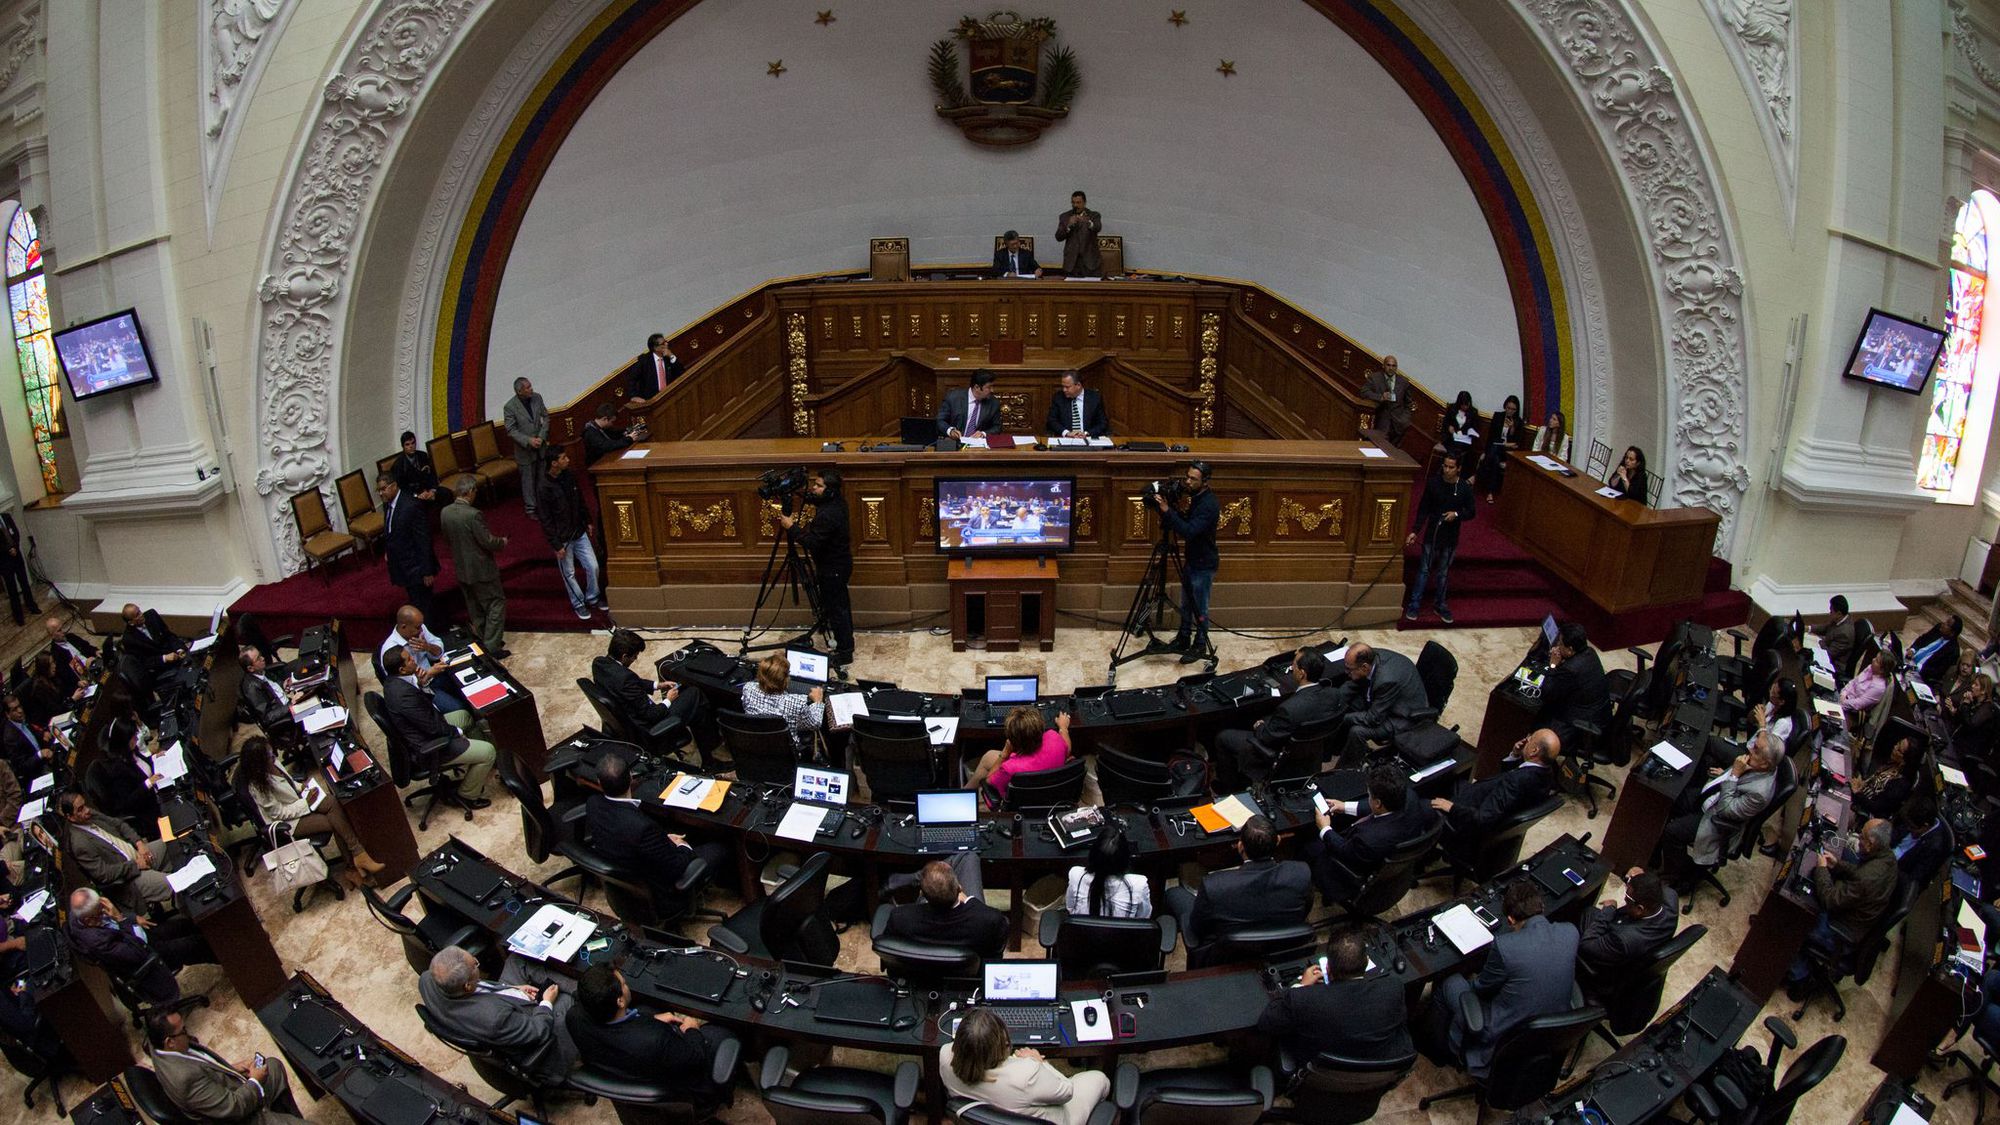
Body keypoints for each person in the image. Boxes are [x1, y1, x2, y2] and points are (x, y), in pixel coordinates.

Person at [1424, 881, 1578, 1076]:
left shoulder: (1505, 946)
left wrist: (1474, 977)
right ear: (1541, 907)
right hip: (1549, 1034)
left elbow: (1481, 988)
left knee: (1450, 983)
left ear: (1511, 919)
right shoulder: (1570, 932)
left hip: (1503, 1040)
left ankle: (1438, 1052)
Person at [234, 736, 384, 886]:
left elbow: (289, 782)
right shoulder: (258, 787)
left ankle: (357, 857)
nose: (273, 756)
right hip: (289, 822)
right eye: (269, 756)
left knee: (333, 802)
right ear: (259, 764)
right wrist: (306, 803)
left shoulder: (272, 762)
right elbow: (279, 813)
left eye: (271, 752)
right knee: (335, 821)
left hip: (297, 801)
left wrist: (302, 787)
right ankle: (354, 864)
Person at [418, 946, 578, 1085]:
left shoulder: (428, 980)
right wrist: (546, 1002)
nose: (477, 961)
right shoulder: (494, 1019)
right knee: (566, 1000)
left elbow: (481, 987)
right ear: (467, 986)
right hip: (530, 1029)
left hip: (496, 1003)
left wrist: (511, 989)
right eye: (475, 965)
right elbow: (538, 1031)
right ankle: (584, 989)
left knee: (517, 960)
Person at [585, 754, 730, 907]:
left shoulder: (592, 804)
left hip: (627, 873)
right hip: (659, 891)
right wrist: (681, 844)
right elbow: (676, 868)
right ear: (631, 778)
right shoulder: (642, 828)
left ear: (600, 783)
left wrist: (663, 840)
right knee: (721, 846)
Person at [1256, 926, 1413, 1065]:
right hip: (1375, 1068)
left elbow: (1266, 1023)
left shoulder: (1303, 1000)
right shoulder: (1393, 988)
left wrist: (1301, 986)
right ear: (1366, 963)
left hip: (1321, 1068)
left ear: (1328, 969)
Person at [566, 964, 730, 1095]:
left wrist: (649, 1019)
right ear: (620, 1001)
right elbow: (695, 1060)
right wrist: (692, 1029)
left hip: (625, 1066)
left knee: (646, 1008)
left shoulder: (574, 1017)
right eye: (624, 984)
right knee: (722, 1034)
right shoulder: (657, 1038)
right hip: (679, 1083)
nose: (627, 985)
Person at [1163, 815, 1312, 952]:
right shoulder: (1300, 872)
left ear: (1240, 847)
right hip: (1279, 946)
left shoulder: (1215, 885)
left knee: (1174, 893)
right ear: (1278, 841)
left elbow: (1197, 929)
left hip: (1227, 953)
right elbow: (1303, 911)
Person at [941, 1007, 1112, 1125]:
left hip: (985, 1114)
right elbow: (1066, 1091)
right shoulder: (1028, 1074)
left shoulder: (944, 1055)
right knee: (1099, 1078)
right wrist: (1040, 1062)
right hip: (1058, 1119)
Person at [1785, 818, 1898, 994]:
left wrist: (1822, 869)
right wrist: (1837, 864)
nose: (1858, 839)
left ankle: (1797, 977)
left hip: (1839, 932)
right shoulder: (1888, 858)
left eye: (1862, 837)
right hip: (1856, 921)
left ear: (1871, 844)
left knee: (1796, 916)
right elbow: (1861, 874)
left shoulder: (1868, 878)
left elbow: (1830, 900)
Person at [1659, 730, 1777, 893]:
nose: (1750, 749)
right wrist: (1727, 773)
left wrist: (1734, 775)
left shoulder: (1760, 794)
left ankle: (1675, 877)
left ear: (1765, 764)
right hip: (1709, 797)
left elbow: (1726, 810)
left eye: (1756, 750)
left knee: (1673, 832)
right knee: (1669, 795)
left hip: (1714, 819)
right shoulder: (1758, 765)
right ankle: (1655, 851)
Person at [1215, 646, 1343, 790]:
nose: (1291, 667)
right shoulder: (1334, 695)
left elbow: (1267, 737)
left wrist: (1260, 726)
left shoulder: (1289, 709)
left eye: (1294, 665)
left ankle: (1228, 787)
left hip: (1278, 755)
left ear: (1302, 673)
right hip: (1311, 755)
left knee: (1223, 737)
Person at [381, 647, 495, 808]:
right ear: (402, 669)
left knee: (464, 716)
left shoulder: (394, 681)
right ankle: (468, 795)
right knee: (488, 752)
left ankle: (478, 765)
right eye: (409, 659)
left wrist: (422, 684)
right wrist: (457, 732)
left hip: (429, 726)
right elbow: (433, 729)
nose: (413, 659)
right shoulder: (403, 695)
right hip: (431, 745)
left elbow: (425, 709)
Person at [1306, 763, 1438, 903]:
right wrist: (1344, 806)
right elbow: (1381, 807)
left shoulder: (1368, 840)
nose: (1368, 798)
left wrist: (1325, 828)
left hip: (1350, 873)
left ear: (1378, 803)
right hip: (1393, 847)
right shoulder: (1409, 796)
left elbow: (1344, 851)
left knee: (1309, 847)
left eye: (1369, 795)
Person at [145, 1011, 306, 1125]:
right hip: (241, 1118)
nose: (188, 1034)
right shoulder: (185, 1078)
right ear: (170, 1042)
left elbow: (204, 1068)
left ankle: (290, 1118)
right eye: (183, 1030)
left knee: (272, 1066)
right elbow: (234, 1108)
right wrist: (255, 1081)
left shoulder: (156, 1045)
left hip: (228, 1094)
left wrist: (231, 1069)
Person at [66, 888, 215, 1004]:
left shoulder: (80, 913)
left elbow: (113, 920)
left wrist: (130, 918)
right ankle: (226, 954)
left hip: (142, 938)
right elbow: (135, 954)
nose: (105, 912)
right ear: (89, 920)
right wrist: (121, 919)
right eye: (101, 912)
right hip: (147, 958)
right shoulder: (99, 943)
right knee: (195, 944)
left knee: (184, 924)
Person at [592, 629, 721, 757]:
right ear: (624, 656)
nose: (635, 659)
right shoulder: (625, 679)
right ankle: (711, 753)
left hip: (629, 722)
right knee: (695, 694)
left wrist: (657, 685)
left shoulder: (599, 663)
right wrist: (668, 700)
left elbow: (628, 682)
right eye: (634, 656)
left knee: (692, 703)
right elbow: (652, 714)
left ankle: (710, 747)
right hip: (650, 729)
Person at [774, 467, 854, 667]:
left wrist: (791, 527)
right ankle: (841, 641)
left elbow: (812, 542)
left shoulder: (828, 515)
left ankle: (845, 652)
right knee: (839, 606)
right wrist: (795, 492)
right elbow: (815, 499)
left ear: (830, 490)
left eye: (818, 486)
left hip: (832, 568)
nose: (814, 488)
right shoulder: (837, 502)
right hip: (838, 564)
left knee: (838, 610)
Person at [1431, 729, 1558, 840]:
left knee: (1423, 799)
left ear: (1534, 751)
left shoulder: (1516, 781)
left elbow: (1483, 818)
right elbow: (1513, 780)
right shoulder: (1546, 773)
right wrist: (1515, 755)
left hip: (1465, 817)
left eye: (1530, 738)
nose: (1527, 739)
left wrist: (1451, 807)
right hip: (1482, 797)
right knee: (1448, 778)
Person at [60, 792, 174, 911]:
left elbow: (119, 825)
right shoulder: (79, 843)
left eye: (85, 805)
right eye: (80, 809)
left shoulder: (89, 814)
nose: (87, 810)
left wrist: (139, 843)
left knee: (172, 842)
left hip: (137, 854)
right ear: (70, 817)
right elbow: (104, 874)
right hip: (130, 879)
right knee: (174, 882)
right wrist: (136, 865)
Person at [1152, 460, 1218, 662]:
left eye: (1193, 479)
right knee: (1186, 604)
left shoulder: (1208, 504)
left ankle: (1200, 645)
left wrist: (1168, 511)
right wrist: (1170, 510)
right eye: (1187, 477)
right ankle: (1183, 638)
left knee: (1199, 608)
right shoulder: (1196, 498)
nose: (1188, 482)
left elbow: (1189, 531)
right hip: (1192, 560)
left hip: (1203, 564)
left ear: (1205, 482)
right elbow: (1187, 521)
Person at [881, 858, 1009, 959]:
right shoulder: (990, 920)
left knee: (968, 857)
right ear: (960, 888)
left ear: (922, 894)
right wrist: (970, 901)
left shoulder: (900, 917)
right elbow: (996, 953)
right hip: (968, 977)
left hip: (919, 974)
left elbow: (890, 948)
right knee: (969, 857)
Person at [1576, 867, 1678, 991]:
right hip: (1632, 941)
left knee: (1587, 912)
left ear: (1639, 909)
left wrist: (1609, 910)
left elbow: (1586, 945)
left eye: (1628, 898)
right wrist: (1640, 879)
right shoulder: (1671, 898)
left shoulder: (1623, 940)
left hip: (1609, 966)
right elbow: (1654, 887)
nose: (1624, 898)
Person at [1405, 449, 1475, 623]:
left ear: (1458, 468)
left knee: (1443, 573)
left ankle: (1440, 604)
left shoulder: (1464, 488)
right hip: (1433, 534)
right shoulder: (1433, 484)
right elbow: (1423, 509)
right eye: (1445, 466)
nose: (1447, 470)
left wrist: (1456, 514)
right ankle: (1414, 604)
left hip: (1450, 537)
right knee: (1424, 570)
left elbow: (1471, 512)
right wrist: (1415, 530)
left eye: (1451, 467)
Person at [533, 449, 603, 621]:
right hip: (562, 538)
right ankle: (578, 603)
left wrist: (587, 520)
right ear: (554, 463)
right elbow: (545, 519)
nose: (568, 460)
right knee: (569, 573)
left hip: (578, 530)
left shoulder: (569, 476)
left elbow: (580, 500)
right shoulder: (543, 487)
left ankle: (593, 597)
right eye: (563, 458)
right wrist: (556, 544)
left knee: (593, 566)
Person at [442, 474, 511, 647]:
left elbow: (447, 539)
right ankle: (491, 645)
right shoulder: (473, 515)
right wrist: (502, 542)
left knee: (474, 607)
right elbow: (487, 541)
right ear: (470, 491)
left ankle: (483, 638)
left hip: (462, 568)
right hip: (481, 569)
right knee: (496, 602)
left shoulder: (445, 512)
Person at [1332, 643, 1429, 765]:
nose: (1346, 672)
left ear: (1364, 667)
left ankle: (1345, 769)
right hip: (1383, 702)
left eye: (1349, 669)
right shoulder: (1371, 657)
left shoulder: (1387, 680)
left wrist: (1341, 717)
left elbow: (1373, 719)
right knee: (1346, 707)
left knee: (1357, 731)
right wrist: (1334, 701)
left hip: (1402, 717)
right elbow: (1353, 683)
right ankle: (1338, 748)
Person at [966, 706, 1070, 806]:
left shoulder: (1009, 769)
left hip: (1021, 803)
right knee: (989, 756)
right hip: (1049, 795)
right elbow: (1067, 749)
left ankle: (964, 793)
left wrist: (1005, 754)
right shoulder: (1054, 738)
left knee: (988, 759)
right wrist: (1063, 728)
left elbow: (989, 781)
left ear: (1012, 741)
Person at [1538, 621, 1613, 752]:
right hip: (1598, 714)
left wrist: (1553, 665)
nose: (1557, 645)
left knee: (1539, 716)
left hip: (1581, 724)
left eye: (1560, 643)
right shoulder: (1590, 652)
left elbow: (1547, 694)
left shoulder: (1571, 669)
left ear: (1570, 649)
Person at [738, 652, 824, 756]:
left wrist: (777, 662)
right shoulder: (797, 703)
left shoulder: (748, 689)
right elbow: (815, 724)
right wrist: (818, 701)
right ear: (786, 680)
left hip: (757, 745)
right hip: (787, 753)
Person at [378, 473, 438, 619]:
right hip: (403, 565)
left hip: (416, 567)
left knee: (424, 606)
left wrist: (427, 570)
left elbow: (423, 540)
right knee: (415, 602)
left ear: (394, 486)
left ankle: (430, 631)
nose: (380, 493)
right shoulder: (388, 505)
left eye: (383, 489)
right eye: (378, 490)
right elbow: (391, 529)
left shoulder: (411, 505)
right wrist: (389, 550)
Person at [1065, 826, 1151, 918]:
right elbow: (1144, 918)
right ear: (1125, 858)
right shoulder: (1139, 884)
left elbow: (1070, 908)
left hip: (1080, 927)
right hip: (1124, 928)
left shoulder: (1076, 875)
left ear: (1093, 854)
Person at [501, 377, 550, 517]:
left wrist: (541, 437)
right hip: (525, 451)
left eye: (530, 386)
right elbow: (511, 430)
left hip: (541, 446)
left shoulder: (537, 397)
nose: (531, 389)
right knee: (528, 481)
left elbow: (546, 417)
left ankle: (544, 503)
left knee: (542, 476)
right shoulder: (510, 407)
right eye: (528, 387)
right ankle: (531, 509)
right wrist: (528, 440)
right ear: (519, 391)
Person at [1850, 733, 1918, 821]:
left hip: (1865, 814)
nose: (1894, 747)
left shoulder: (1899, 785)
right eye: (1897, 744)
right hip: (1859, 799)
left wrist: (1857, 793)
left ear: (1904, 761)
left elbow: (1876, 808)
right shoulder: (1890, 765)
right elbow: (1871, 785)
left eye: (1898, 750)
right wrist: (1861, 784)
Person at [1894, 790, 1951, 888]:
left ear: (1925, 826)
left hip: (1896, 870)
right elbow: (1896, 833)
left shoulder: (1934, 847)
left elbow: (1914, 877)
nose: (1908, 828)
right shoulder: (1914, 816)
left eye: (1912, 827)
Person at [1476, 394, 1527, 502]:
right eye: (1508, 408)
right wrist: (1485, 451)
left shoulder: (1519, 422)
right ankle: (1490, 492)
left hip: (1507, 452)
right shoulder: (1498, 416)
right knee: (1495, 459)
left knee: (1496, 448)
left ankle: (1475, 477)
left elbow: (1516, 443)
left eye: (1513, 409)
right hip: (1494, 449)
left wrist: (1512, 429)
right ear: (1505, 406)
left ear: (1517, 410)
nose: (1510, 411)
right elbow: (1490, 437)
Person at [1359, 355, 1412, 444]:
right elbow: (1363, 392)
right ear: (1383, 366)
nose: (1391, 368)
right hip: (1380, 419)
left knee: (1393, 449)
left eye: (1393, 366)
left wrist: (1405, 419)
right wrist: (1380, 397)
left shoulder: (1403, 382)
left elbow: (1408, 403)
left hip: (1399, 423)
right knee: (1380, 445)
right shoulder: (1375, 378)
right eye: (1388, 365)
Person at [1044, 370, 1109, 439]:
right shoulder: (1058, 397)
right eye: (1063, 386)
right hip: (1066, 439)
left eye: (1067, 387)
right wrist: (1067, 433)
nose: (1064, 390)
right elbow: (1052, 420)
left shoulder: (1094, 398)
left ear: (1078, 385)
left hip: (1088, 438)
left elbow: (1103, 423)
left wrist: (1086, 433)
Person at [937, 368, 1000, 439]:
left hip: (978, 444)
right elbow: (940, 420)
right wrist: (950, 431)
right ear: (977, 387)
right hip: (954, 442)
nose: (992, 390)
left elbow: (997, 427)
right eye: (989, 387)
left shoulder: (994, 403)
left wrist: (983, 434)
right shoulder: (953, 398)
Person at [44, 614, 97, 697]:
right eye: (59, 630)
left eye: (62, 628)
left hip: (93, 662)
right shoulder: (55, 653)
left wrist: (95, 651)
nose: (63, 631)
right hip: (86, 675)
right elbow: (66, 675)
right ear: (52, 635)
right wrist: (85, 668)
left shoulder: (71, 637)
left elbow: (86, 646)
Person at [1950, 672, 2000, 760]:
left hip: (1969, 749)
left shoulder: (1987, 708)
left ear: (1983, 691)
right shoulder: (1975, 702)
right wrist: (1962, 704)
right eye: (1973, 683)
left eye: (1976, 685)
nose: (1972, 686)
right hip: (1959, 741)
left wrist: (1966, 704)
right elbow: (1959, 720)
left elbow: (1970, 725)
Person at [623, 332, 683, 405]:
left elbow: (681, 373)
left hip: (669, 397)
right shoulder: (644, 361)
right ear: (655, 348)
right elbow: (631, 378)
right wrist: (634, 396)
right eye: (663, 343)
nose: (666, 344)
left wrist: (671, 356)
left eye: (666, 341)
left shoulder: (668, 357)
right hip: (651, 400)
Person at [0, 510, 37, 627]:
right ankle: (18, 616)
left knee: (24, 582)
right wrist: (8, 549)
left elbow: (16, 533)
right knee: (12, 589)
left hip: (16, 556)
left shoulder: (6, 516)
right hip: (4, 561)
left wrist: (15, 547)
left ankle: (31, 606)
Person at [1054, 190, 1102, 277]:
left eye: (1078, 202)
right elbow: (1058, 237)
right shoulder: (1065, 216)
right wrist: (1068, 225)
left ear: (1084, 203)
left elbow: (1098, 227)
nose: (1075, 205)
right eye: (1073, 202)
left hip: (1090, 262)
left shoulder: (1094, 215)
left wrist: (1088, 222)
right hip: (1071, 263)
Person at [582, 401, 647, 466]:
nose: (612, 424)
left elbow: (615, 434)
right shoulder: (590, 432)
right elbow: (607, 446)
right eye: (612, 421)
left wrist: (627, 432)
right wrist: (628, 439)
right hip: (598, 465)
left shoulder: (601, 428)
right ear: (605, 419)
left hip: (608, 459)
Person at [390, 430, 443, 508]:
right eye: (407, 444)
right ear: (403, 447)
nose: (411, 446)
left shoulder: (423, 455)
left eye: (413, 443)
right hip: (413, 495)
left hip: (427, 490)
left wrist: (432, 490)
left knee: (446, 493)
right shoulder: (398, 465)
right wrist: (417, 495)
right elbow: (401, 489)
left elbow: (432, 475)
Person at [1911, 614, 1965, 691]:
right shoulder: (1938, 628)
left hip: (1921, 675)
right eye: (1945, 621)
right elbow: (1922, 639)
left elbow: (1939, 672)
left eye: (1947, 624)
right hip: (1910, 660)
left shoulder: (1953, 652)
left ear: (1952, 633)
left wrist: (1918, 668)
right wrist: (1913, 649)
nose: (1943, 623)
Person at [1840, 650, 1892, 728]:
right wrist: (1843, 693)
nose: (1873, 659)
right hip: (1843, 698)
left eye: (1876, 660)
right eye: (1875, 657)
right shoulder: (1870, 668)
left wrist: (1841, 703)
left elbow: (1858, 704)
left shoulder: (1878, 687)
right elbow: (1853, 682)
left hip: (1851, 713)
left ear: (1882, 670)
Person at [1814, 595, 1858, 680]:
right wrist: (1809, 628)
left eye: (1831, 611)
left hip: (1835, 665)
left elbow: (1829, 653)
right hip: (1827, 651)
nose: (1829, 613)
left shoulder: (1845, 634)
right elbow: (1826, 628)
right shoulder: (1840, 619)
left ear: (1839, 613)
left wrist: (1819, 641)